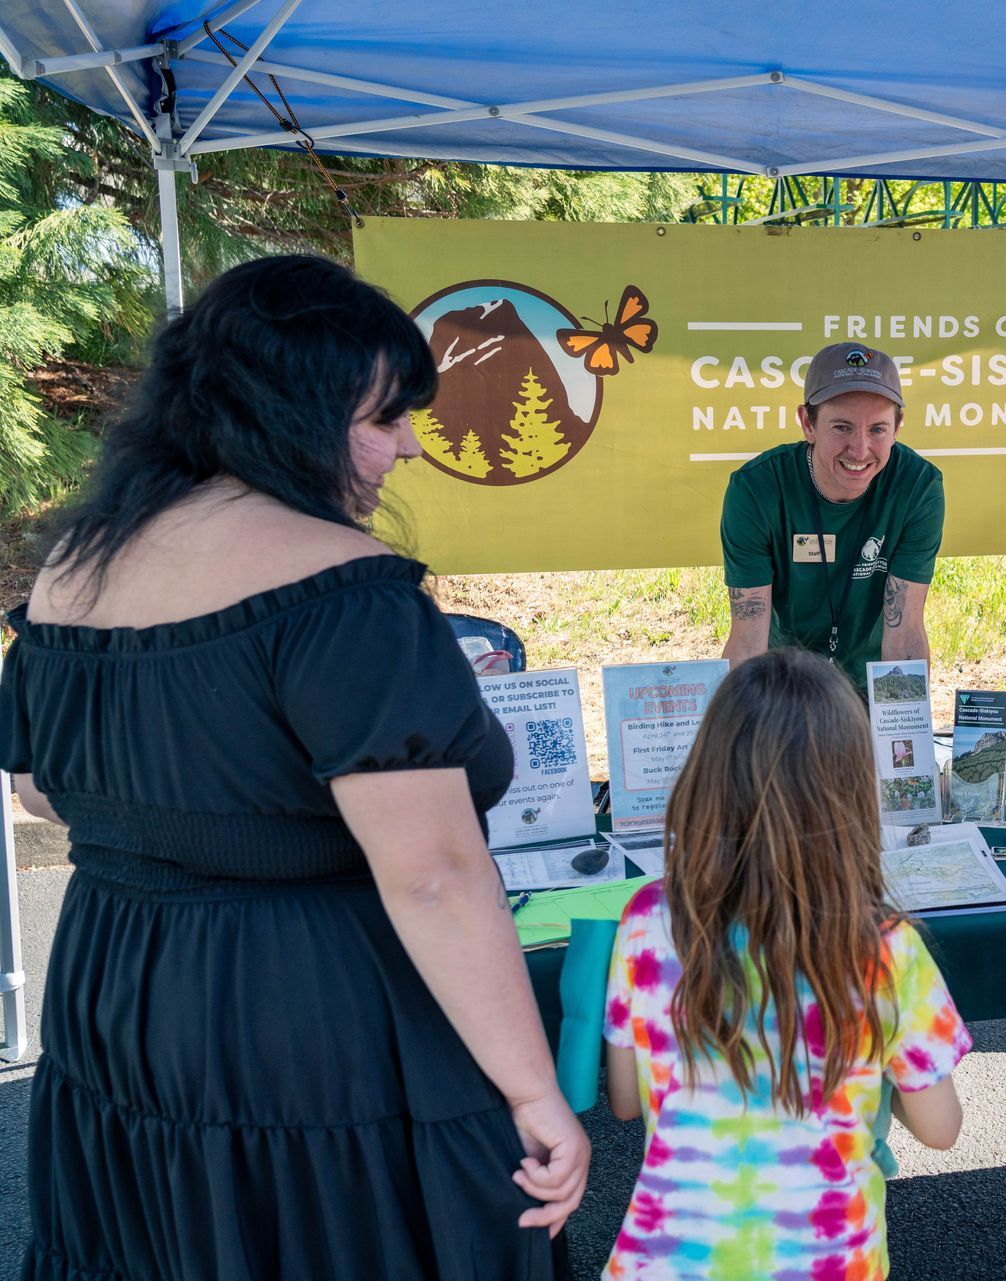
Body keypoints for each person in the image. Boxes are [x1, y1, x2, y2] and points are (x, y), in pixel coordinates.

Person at [0, 256, 587, 1278]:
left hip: (114, 988)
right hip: (310, 1015)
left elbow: (39, 788)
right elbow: (434, 876)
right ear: (289, 412)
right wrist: (535, 1094)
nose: (407, 444)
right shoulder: (345, 591)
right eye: (383, 416)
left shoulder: (71, 568)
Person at [602, 648, 969, 1280]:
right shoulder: (887, 947)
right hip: (829, 1259)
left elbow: (628, 1099)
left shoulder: (646, 920)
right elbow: (941, 1129)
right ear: (851, 795)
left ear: (706, 779)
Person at [719, 342, 944, 687]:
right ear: (808, 423)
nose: (860, 449)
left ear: (898, 426)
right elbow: (749, 640)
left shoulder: (917, 487)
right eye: (842, 427)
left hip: (872, 678)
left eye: (877, 429)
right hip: (784, 676)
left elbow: (905, 633)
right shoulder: (756, 490)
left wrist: (900, 731)